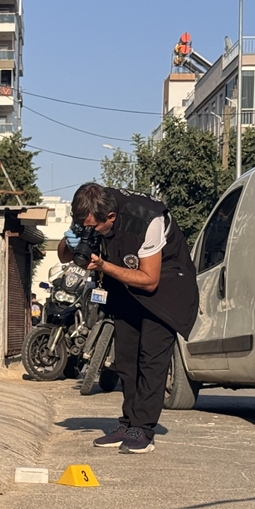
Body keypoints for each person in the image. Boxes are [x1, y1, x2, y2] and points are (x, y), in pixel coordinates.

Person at [58, 183, 198, 453]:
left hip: (166, 287)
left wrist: (103, 265)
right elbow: (66, 257)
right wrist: (70, 240)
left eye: (93, 227)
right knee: (126, 359)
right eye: (83, 225)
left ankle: (143, 429)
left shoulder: (147, 219)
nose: (89, 230)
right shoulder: (90, 210)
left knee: (150, 359)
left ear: (110, 217)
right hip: (125, 286)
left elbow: (149, 279)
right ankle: (128, 423)